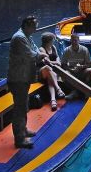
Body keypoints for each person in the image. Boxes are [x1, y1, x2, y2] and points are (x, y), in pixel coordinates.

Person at [7, 15, 46, 148]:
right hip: (18, 79)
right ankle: (19, 139)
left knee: (24, 105)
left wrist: (41, 53)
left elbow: (35, 49)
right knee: (20, 108)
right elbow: (31, 55)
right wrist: (42, 55)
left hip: (24, 77)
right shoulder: (19, 38)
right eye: (34, 27)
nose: (36, 29)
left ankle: (23, 130)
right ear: (27, 26)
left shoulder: (26, 36)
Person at [59, 32, 91, 98]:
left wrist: (81, 67)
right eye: (72, 40)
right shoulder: (67, 50)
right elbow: (63, 64)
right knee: (64, 74)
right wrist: (71, 69)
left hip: (82, 70)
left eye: (75, 40)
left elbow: (89, 64)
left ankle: (88, 90)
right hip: (71, 70)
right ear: (70, 40)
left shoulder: (84, 50)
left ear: (78, 40)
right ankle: (74, 91)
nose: (74, 42)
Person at [38, 33, 65, 112]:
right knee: (47, 68)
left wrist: (53, 62)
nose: (54, 41)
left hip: (51, 72)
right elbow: (47, 63)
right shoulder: (41, 49)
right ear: (49, 41)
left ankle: (53, 100)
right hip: (42, 72)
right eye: (53, 39)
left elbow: (58, 62)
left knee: (51, 74)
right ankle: (58, 88)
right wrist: (54, 62)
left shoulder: (53, 47)